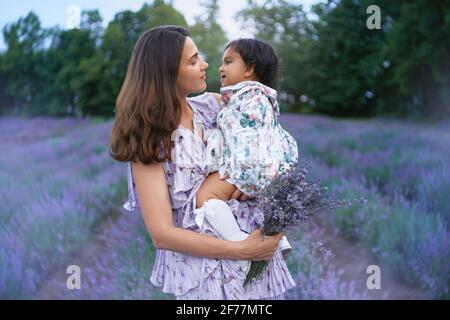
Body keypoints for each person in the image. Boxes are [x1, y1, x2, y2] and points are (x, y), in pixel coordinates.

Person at [109, 25, 295, 300]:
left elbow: (265, 136)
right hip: (204, 275)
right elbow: (162, 234)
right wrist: (243, 251)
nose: (205, 64)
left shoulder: (214, 106)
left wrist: (259, 176)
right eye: (193, 60)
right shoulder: (149, 139)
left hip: (256, 259)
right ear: (167, 71)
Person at [192, 39, 298, 274]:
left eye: (228, 62)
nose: (220, 68)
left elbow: (237, 132)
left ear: (249, 69)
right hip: (268, 166)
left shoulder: (246, 97)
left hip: (247, 165)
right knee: (259, 201)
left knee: (206, 197)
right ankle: (279, 240)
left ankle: (241, 245)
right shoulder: (266, 98)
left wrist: (212, 135)